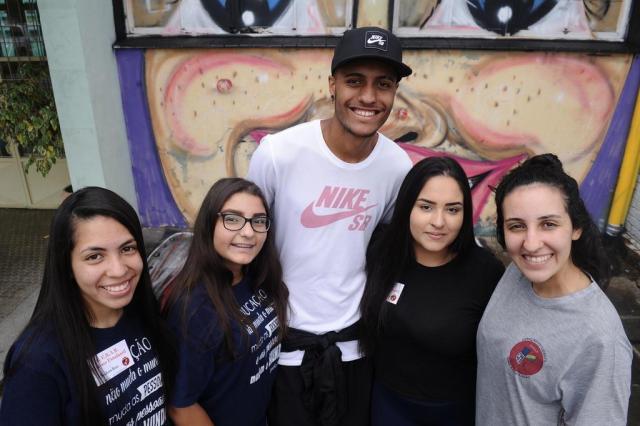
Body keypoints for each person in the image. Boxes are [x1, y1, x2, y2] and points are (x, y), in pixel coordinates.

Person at [247, 25, 414, 426]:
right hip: (285, 347)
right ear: (332, 85)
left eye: (384, 84)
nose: (369, 97)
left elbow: (387, 250)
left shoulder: (396, 167)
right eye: (355, 81)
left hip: (354, 349)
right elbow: (246, 243)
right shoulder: (278, 154)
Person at [476, 154, 633, 425]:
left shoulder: (600, 339)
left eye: (548, 224)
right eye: (517, 226)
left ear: (576, 227)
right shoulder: (517, 273)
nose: (531, 243)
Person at [0, 187, 176, 426]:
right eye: (94, 256)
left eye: (127, 248)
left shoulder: (143, 313)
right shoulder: (37, 362)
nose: (119, 270)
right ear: (67, 266)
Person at [360, 156, 504, 425]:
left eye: (452, 209)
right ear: (406, 208)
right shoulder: (383, 253)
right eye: (426, 207)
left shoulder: (485, 272)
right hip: (387, 406)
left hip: (453, 413)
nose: (439, 222)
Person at [164, 178, 288, 426]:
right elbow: (181, 406)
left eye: (258, 221)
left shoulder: (256, 277)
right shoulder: (194, 307)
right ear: (210, 223)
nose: (248, 232)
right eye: (232, 219)